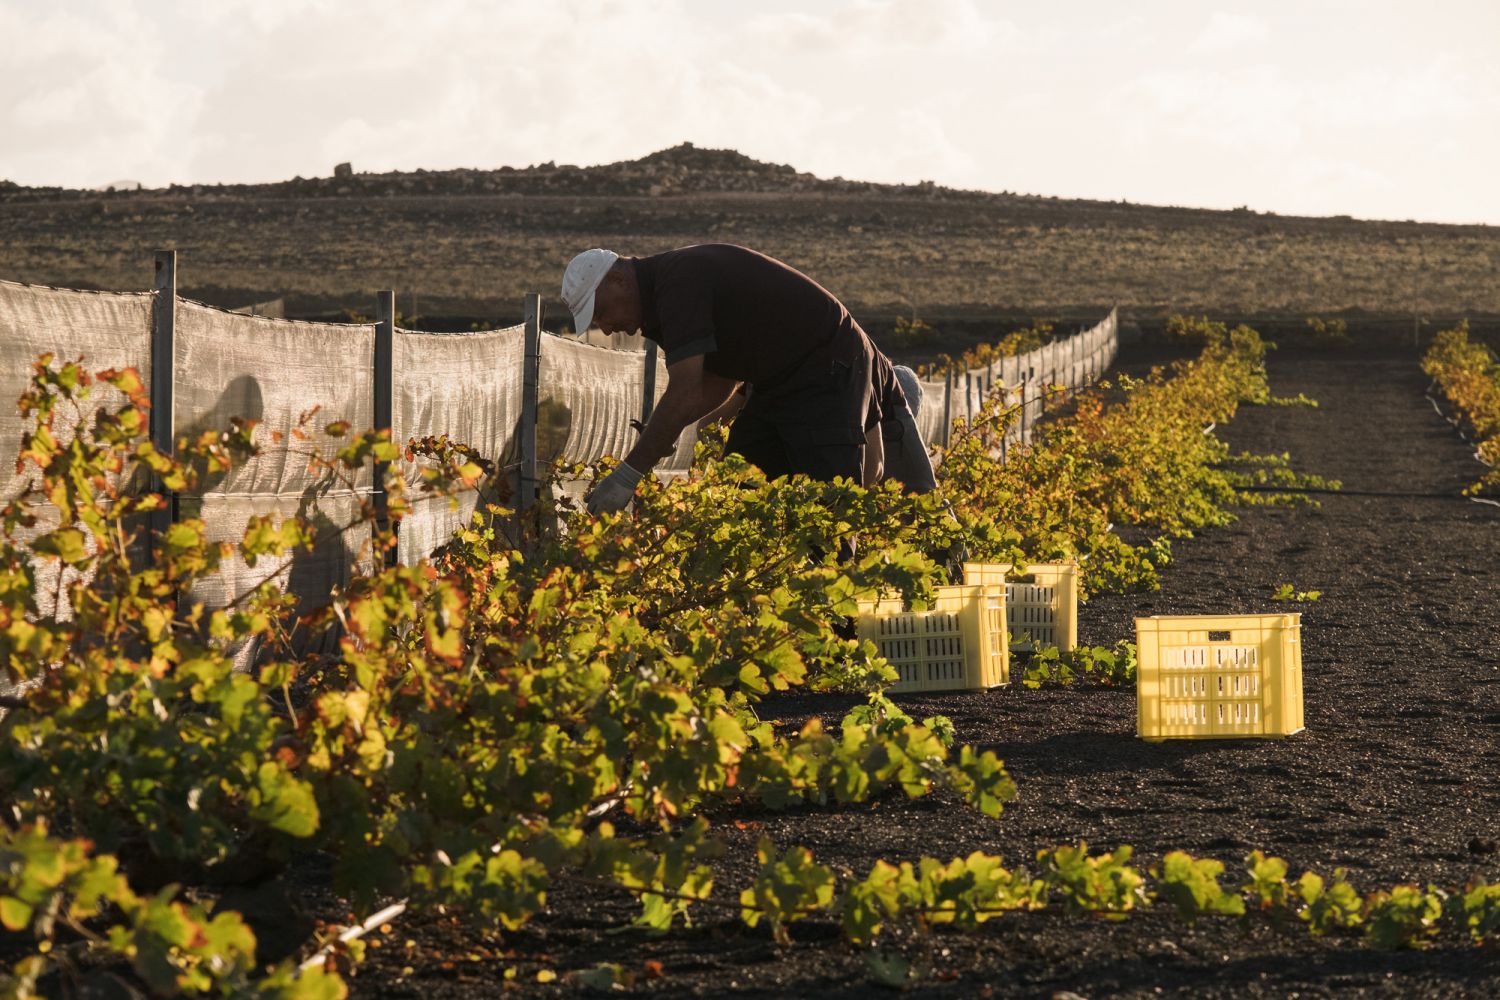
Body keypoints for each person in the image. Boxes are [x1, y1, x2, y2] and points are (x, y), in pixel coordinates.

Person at [561, 244, 890, 515]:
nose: (603, 328)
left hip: (827, 367)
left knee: (829, 511)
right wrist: (666, 430)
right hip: (777, 382)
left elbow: (685, 392)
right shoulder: (658, 305)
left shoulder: (677, 285)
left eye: (600, 312)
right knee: (745, 495)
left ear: (618, 279)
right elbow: (721, 380)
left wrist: (627, 475)